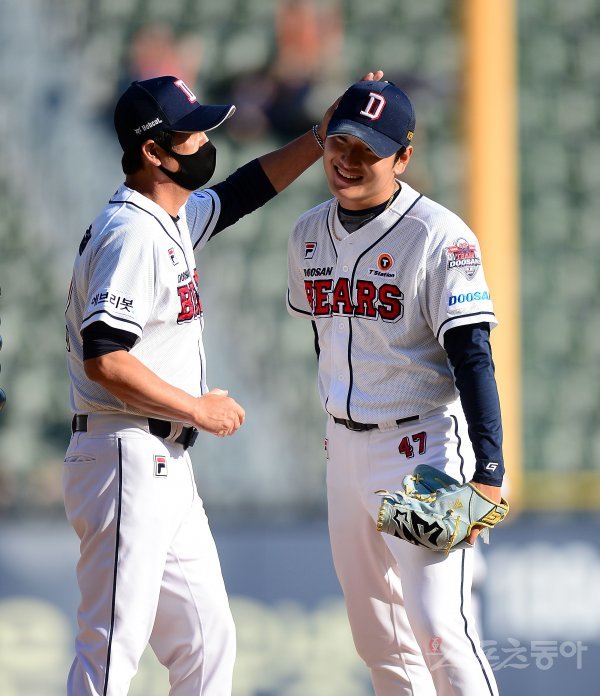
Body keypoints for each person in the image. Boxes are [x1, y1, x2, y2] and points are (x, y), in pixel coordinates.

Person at [63, 71, 383, 696]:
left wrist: (320, 136)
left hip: (161, 460)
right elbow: (106, 357)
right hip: (124, 452)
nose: (205, 142)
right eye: (190, 134)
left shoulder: (167, 218)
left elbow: (242, 191)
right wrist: (196, 408)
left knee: (208, 642)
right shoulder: (133, 234)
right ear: (153, 152)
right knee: (110, 651)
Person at [286, 79, 504, 696]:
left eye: (369, 150)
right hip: (344, 449)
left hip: (421, 452)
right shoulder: (306, 233)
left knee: (438, 629)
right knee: (378, 637)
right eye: (341, 142)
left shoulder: (439, 235)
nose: (348, 160)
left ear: (402, 157)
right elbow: (325, 338)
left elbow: (473, 356)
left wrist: (488, 471)